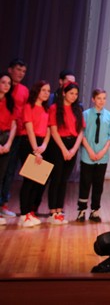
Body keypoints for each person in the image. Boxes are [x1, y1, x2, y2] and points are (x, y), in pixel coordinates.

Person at [46, 81, 84, 225]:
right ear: (64, 93)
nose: (74, 96)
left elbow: (81, 131)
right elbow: (53, 130)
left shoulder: (77, 109)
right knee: (56, 178)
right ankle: (52, 211)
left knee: (64, 179)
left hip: (72, 145)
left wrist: (73, 149)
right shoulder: (55, 108)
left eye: (76, 94)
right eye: (71, 93)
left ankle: (59, 210)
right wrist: (63, 149)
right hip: (58, 145)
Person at [77, 89, 110, 223]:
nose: (102, 101)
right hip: (88, 154)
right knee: (85, 183)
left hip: (102, 156)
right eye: (99, 98)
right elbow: (82, 134)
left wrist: (102, 152)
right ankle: (81, 210)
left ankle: (95, 210)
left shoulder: (109, 116)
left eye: (104, 98)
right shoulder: (86, 114)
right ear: (93, 99)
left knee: (98, 184)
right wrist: (90, 151)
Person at [17, 81, 50, 227]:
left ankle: (30, 211)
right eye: (43, 90)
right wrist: (35, 149)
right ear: (37, 91)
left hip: (41, 144)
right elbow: (29, 130)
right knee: (29, 180)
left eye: (48, 91)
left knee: (37, 181)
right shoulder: (28, 107)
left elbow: (48, 130)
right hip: (29, 143)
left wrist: (44, 145)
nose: (46, 93)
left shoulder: (46, 109)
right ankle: (24, 214)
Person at [0, 59, 29, 218]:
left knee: (10, 170)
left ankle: (3, 203)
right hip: (3, 133)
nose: (21, 73)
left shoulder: (24, 90)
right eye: (18, 69)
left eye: (23, 71)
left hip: (17, 135)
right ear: (10, 70)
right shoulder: (5, 89)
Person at [0, 72, 18, 226]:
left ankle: (1, 208)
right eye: (3, 82)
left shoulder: (10, 102)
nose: (6, 86)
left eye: (8, 83)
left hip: (6, 139)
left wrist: (9, 143)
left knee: (3, 175)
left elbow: (13, 124)